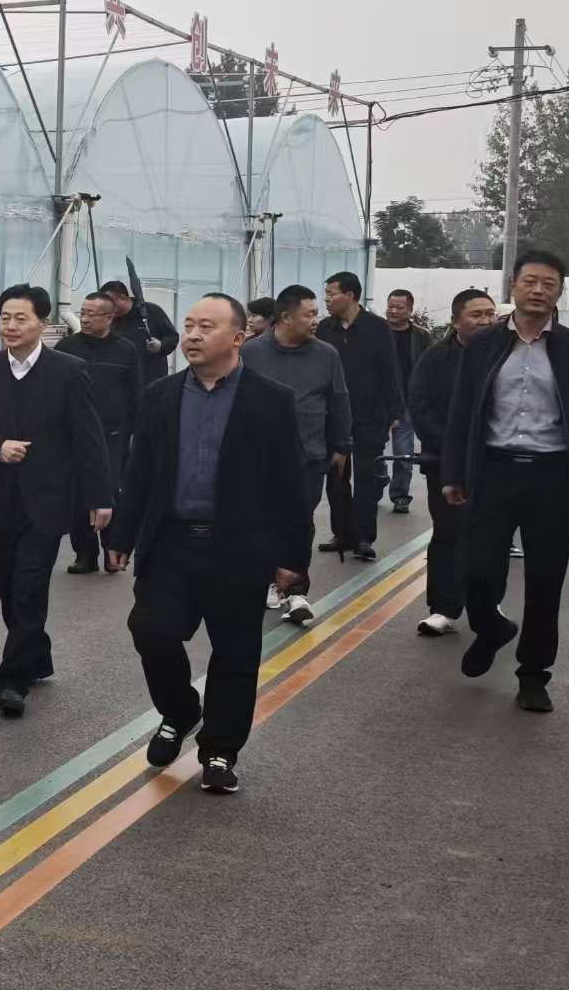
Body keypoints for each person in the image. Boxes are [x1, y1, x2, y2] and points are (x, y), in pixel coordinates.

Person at [105, 293, 311, 795]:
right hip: (171, 542)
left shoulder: (270, 401)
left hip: (239, 547)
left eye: (207, 327)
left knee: (236, 652)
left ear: (238, 338)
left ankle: (220, 749)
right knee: (150, 628)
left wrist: (292, 558)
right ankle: (180, 711)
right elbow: (139, 472)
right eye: (189, 325)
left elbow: (290, 484)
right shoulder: (160, 395)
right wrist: (123, 535)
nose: (193, 335)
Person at [441, 251, 569, 713]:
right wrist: (453, 472)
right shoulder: (484, 345)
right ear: (513, 286)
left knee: (545, 580)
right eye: (530, 281)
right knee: (476, 570)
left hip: (552, 477)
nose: (538, 290)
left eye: (549, 284)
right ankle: (490, 628)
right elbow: (462, 411)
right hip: (493, 472)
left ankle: (534, 674)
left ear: (559, 293)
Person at [0, 284, 112, 719]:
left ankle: (12, 681)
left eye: (20, 318)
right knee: (10, 590)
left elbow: (89, 438)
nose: (10, 325)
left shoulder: (69, 371)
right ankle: (36, 654)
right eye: (5, 317)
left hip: (47, 502)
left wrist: (100, 497)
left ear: (42, 323)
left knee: (28, 588)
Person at [239, 284, 350, 624]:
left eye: (317, 313)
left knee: (300, 522)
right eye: (310, 314)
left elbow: (339, 400)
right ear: (286, 317)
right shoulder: (250, 352)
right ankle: (266, 580)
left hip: (309, 456)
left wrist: (341, 446)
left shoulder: (327, 354)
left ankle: (297, 591)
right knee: (261, 522)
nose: (317, 319)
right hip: (258, 458)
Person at [407, 288, 499, 636]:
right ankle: (443, 608)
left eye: (490, 314)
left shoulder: (505, 353)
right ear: (456, 321)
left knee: (490, 534)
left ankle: (487, 602)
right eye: (476, 315)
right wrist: (453, 445)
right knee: (448, 532)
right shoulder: (435, 357)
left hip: (495, 459)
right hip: (446, 462)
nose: (485, 321)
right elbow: (420, 405)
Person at [317, 272, 402, 562]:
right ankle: (342, 534)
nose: (327, 300)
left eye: (332, 294)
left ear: (351, 295)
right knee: (336, 478)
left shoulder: (377, 327)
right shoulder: (324, 329)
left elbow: (390, 370)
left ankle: (364, 537)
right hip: (333, 416)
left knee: (366, 478)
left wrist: (395, 411)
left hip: (370, 415)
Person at [58, 293, 146, 575]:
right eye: (82, 312)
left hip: (113, 433)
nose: (84, 319)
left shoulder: (125, 349)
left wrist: (137, 432)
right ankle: (85, 554)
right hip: (74, 433)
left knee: (111, 491)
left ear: (109, 318)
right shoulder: (67, 347)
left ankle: (112, 550)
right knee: (77, 493)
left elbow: (136, 393)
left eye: (91, 314)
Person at [383, 289, 427, 514]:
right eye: (390, 306)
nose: (393, 311)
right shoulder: (377, 332)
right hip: (378, 401)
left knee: (403, 452)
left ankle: (400, 495)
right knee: (371, 451)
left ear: (410, 310)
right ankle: (378, 480)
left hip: (407, 402)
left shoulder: (421, 336)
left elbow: (429, 367)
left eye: (399, 307)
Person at [100, 279, 177, 380]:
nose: (108, 308)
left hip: (152, 379)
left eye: (111, 303)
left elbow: (173, 337)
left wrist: (161, 346)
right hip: (122, 380)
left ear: (123, 298)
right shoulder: (109, 319)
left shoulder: (151, 312)